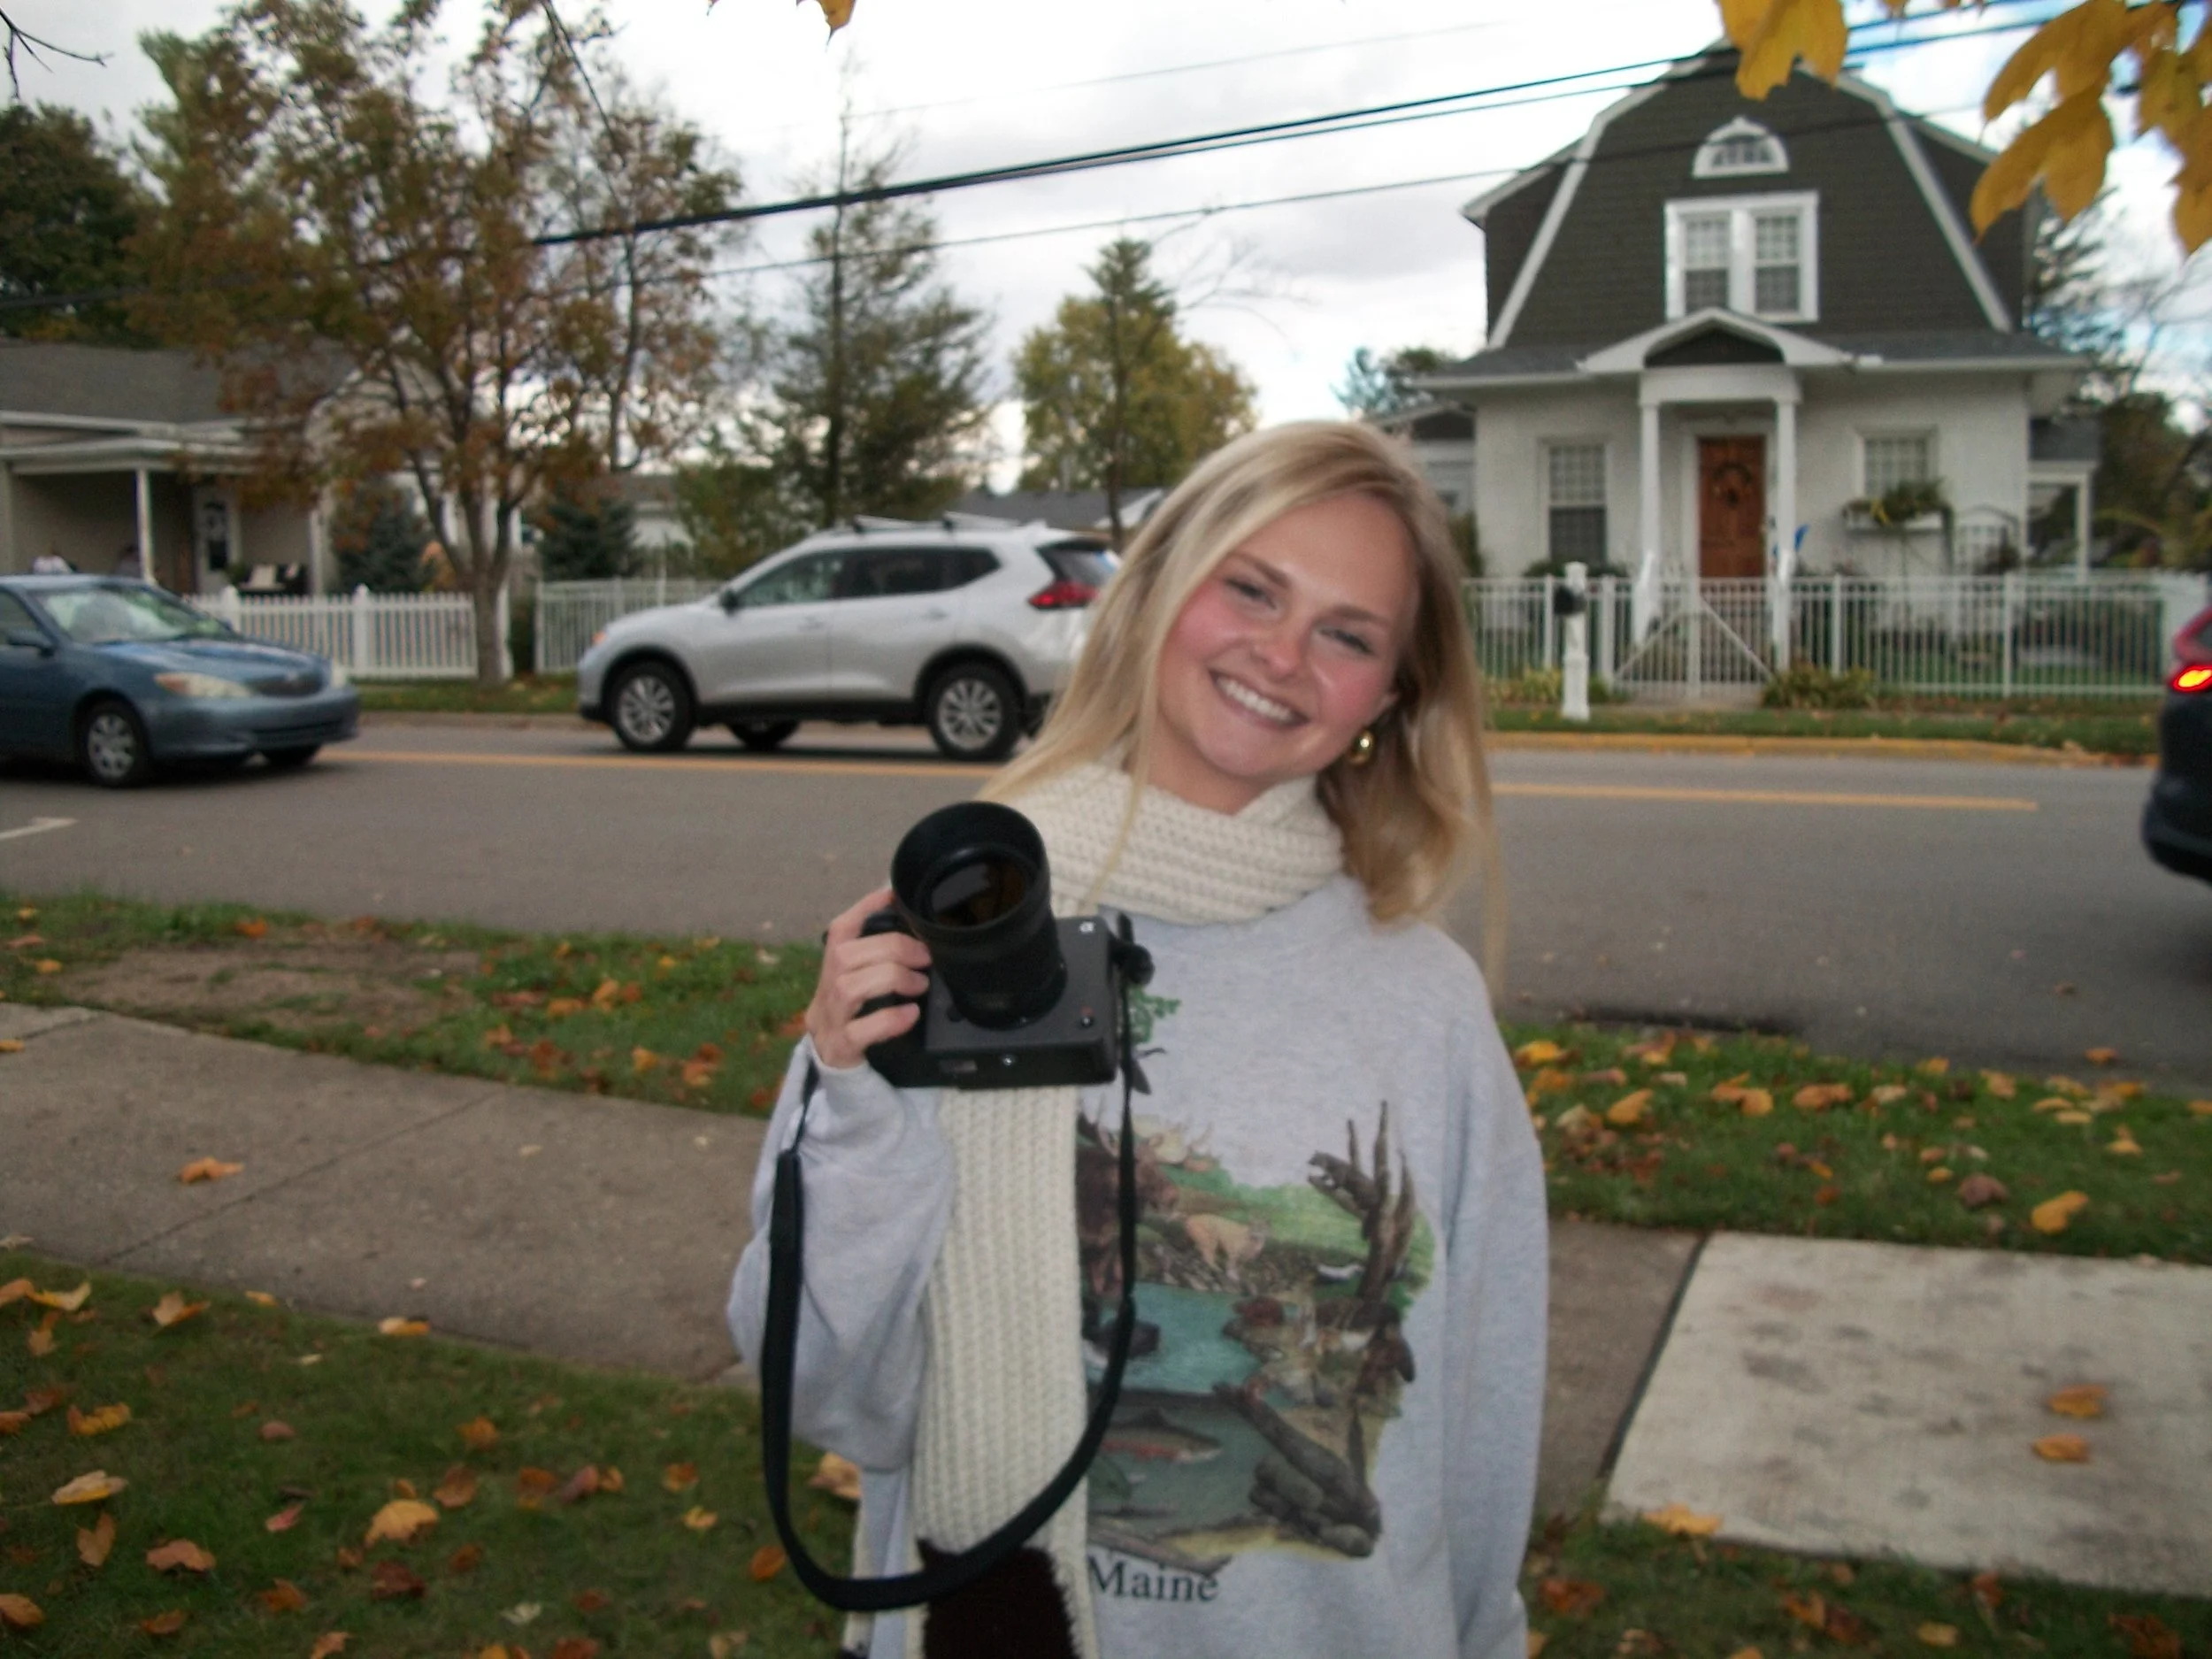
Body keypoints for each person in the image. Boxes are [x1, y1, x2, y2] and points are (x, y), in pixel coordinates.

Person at [728, 421, 1544, 1659]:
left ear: (1389, 698)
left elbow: (1483, 1412)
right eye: (1252, 588)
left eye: (1348, 635)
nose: (1283, 654)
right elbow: (829, 1396)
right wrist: (852, 1103)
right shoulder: (965, 924)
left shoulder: (1424, 1007)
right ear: (1158, 586)